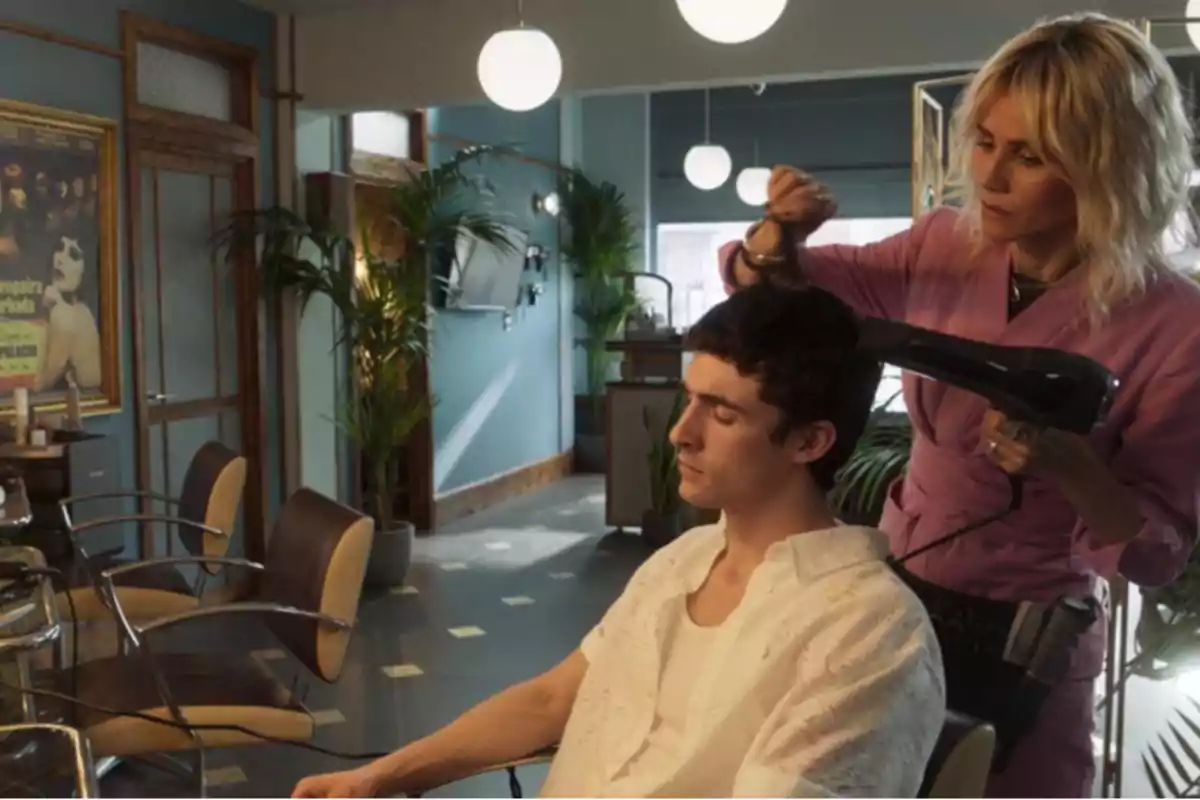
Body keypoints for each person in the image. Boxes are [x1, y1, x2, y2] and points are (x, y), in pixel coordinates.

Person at [719, 12, 1200, 798]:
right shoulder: (946, 246)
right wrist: (780, 233)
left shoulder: (1176, 326)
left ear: (1106, 166)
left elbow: (1157, 553)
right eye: (984, 141)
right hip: (897, 593)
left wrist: (1075, 470)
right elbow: (778, 291)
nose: (990, 175)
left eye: (1028, 156)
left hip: (1034, 636)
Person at [292, 284, 946, 799]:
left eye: (723, 413)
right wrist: (378, 777)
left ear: (810, 441)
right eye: (688, 400)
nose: (680, 434)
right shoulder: (682, 562)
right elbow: (552, 700)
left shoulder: (867, 629)